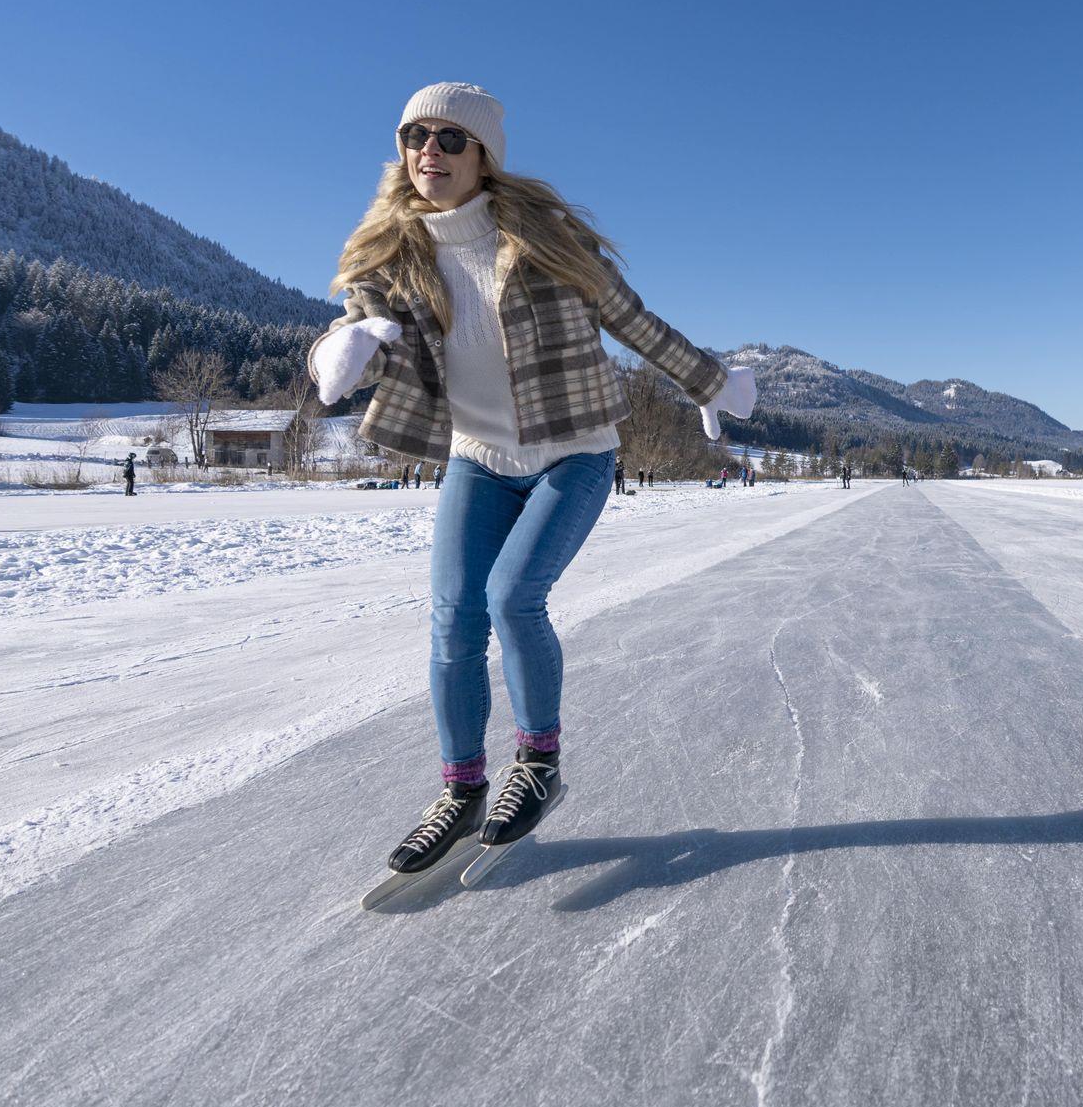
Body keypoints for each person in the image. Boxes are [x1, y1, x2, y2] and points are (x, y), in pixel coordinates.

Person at [308, 82, 756, 876]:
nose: (429, 151)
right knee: (453, 620)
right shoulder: (392, 252)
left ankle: (538, 765)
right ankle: (460, 790)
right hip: (478, 458)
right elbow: (357, 330)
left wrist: (710, 383)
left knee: (513, 597)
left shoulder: (544, 238)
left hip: (573, 453)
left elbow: (631, 319)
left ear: (484, 156)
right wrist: (339, 351)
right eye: (416, 136)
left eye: (450, 138)